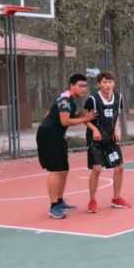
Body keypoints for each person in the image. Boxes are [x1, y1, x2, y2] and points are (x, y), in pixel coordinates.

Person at [36, 74, 96, 219]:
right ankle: (53, 207)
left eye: (85, 86)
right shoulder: (65, 99)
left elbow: (55, 115)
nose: (83, 89)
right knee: (55, 170)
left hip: (57, 136)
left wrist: (82, 114)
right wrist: (85, 118)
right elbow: (65, 121)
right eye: (80, 86)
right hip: (48, 136)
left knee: (63, 170)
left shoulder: (69, 99)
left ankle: (59, 200)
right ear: (72, 86)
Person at [84, 72, 130, 213]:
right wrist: (94, 130)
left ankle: (116, 198)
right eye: (104, 82)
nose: (107, 85)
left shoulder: (118, 97)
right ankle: (92, 200)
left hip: (111, 139)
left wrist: (117, 129)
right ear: (99, 84)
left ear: (114, 83)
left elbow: (117, 116)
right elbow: (84, 118)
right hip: (96, 140)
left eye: (110, 82)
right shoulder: (92, 100)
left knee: (119, 168)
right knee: (97, 169)